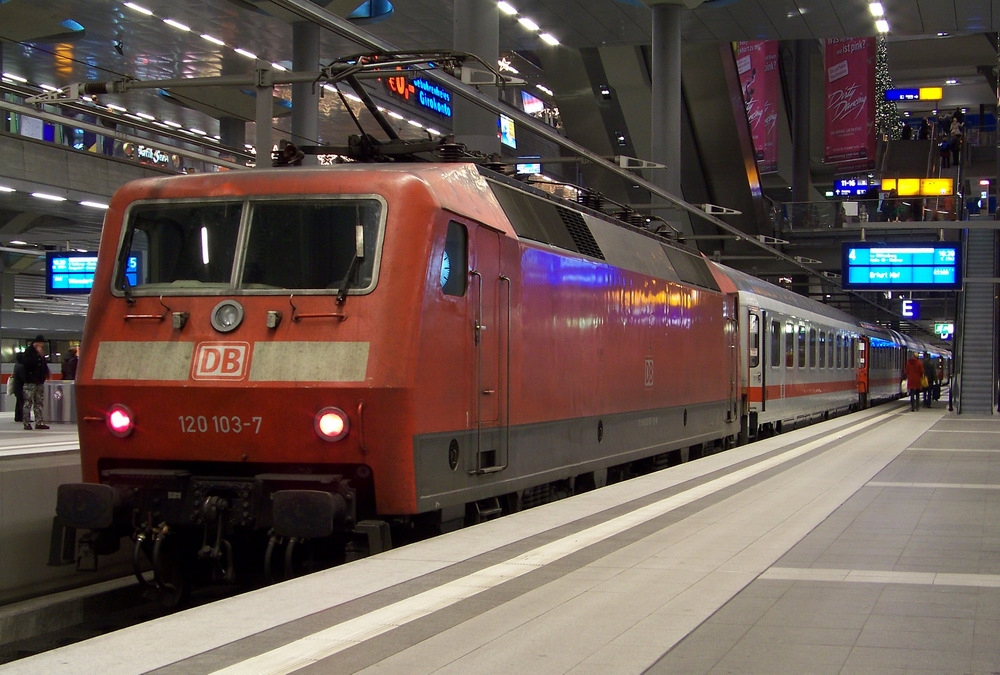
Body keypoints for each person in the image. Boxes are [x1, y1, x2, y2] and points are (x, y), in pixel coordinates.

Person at [21, 335, 50, 430]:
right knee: (28, 402)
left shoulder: (40, 353)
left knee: (39, 402)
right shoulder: (29, 352)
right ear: (36, 342)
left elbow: (44, 365)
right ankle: (26, 423)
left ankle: (39, 422)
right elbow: (27, 364)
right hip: (30, 381)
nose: (42, 345)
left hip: (39, 380)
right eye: (41, 343)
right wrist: (38, 355)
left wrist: (46, 374)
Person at [7, 353, 26, 423]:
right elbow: (23, 378)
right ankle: (22, 417)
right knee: (22, 402)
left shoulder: (16, 365)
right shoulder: (21, 366)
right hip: (20, 387)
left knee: (18, 402)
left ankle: (18, 417)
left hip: (17, 387)